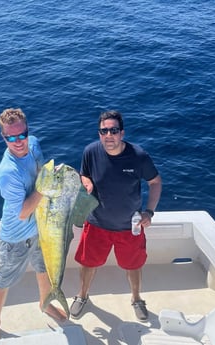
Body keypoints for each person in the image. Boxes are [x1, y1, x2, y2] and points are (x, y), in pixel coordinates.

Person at [70, 110, 162, 321]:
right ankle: (82, 296)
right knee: (88, 263)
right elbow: (84, 173)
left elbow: (155, 182)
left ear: (122, 133)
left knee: (134, 265)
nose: (108, 135)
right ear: (99, 133)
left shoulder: (138, 156)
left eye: (113, 130)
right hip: (96, 223)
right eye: (104, 131)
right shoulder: (90, 151)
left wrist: (149, 212)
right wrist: (86, 181)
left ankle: (137, 299)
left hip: (130, 226)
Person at [0, 108, 66, 341]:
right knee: (3, 281)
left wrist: (52, 175)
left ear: (28, 131)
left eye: (22, 135)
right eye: (11, 138)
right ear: (3, 138)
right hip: (16, 237)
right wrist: (46, 186)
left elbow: (40, 172)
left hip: (40, 227)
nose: (18, 141)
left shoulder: (34, 144)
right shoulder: (7, 172)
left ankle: (45, 303)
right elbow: (22, 212)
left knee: (43, 270)